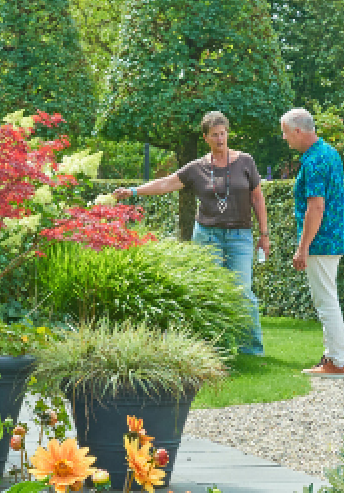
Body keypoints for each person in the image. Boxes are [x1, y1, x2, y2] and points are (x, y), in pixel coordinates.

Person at [113, 111, 269, 356]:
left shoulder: (245, 161)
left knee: (243, 292)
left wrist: (265, 234)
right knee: (208, 293)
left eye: (223, 133)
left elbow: (257, 198)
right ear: (205, 137)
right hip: (207, 235)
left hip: (240, 236)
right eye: (215, 135)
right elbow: (165, 184)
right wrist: (133, 191)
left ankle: (251, 349)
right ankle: (210, 349)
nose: (220, 139)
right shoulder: (197, 168)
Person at [281, 108, 344, 375]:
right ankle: (333, 357)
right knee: (327, 297)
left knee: (325, 300)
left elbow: (316, 207)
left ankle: (336, 361)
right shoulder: (329, 153)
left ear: (298, 131)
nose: (285, 139)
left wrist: (303, 246)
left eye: (286, 133)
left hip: (321, 241)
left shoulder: (313, 161)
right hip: (334, 238)